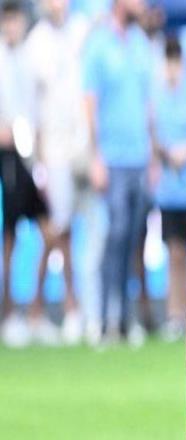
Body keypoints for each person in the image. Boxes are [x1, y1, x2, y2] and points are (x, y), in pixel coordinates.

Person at [25, 0, 106, 345]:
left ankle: (84, 309)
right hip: (54, 149)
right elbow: (32, 105)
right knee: (57, 229)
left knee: (85, 227)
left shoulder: (81, 30)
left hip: (83, 146)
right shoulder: (36, 42)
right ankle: (52, 307)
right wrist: (37, 158)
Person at [83, 0, 152, 342]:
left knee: (133, 239)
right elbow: (90, 103)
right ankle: (103, 318)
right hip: (111, 157)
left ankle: (124, 319)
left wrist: (152, 155)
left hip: (139, 155)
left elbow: (148, 103)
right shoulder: (98, 44)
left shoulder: (141, 43)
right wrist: (95, 156)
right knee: (114, 235)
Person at [0, 0, 60, 347]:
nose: (12, 27)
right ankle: (9, 315)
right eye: (7, 21)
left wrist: (39, 152)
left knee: (49, 232)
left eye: (16, 21)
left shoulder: (29, 58)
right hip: (7, 157)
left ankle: (35, 312)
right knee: (9, 239)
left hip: (31, 157)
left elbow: (38, 110)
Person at [152, 35, 186, 341]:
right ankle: (174, 313)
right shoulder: (157, 96)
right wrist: (165, 152)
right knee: (173, 251)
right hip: (168, 188)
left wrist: (184, 152)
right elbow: (152, 133)